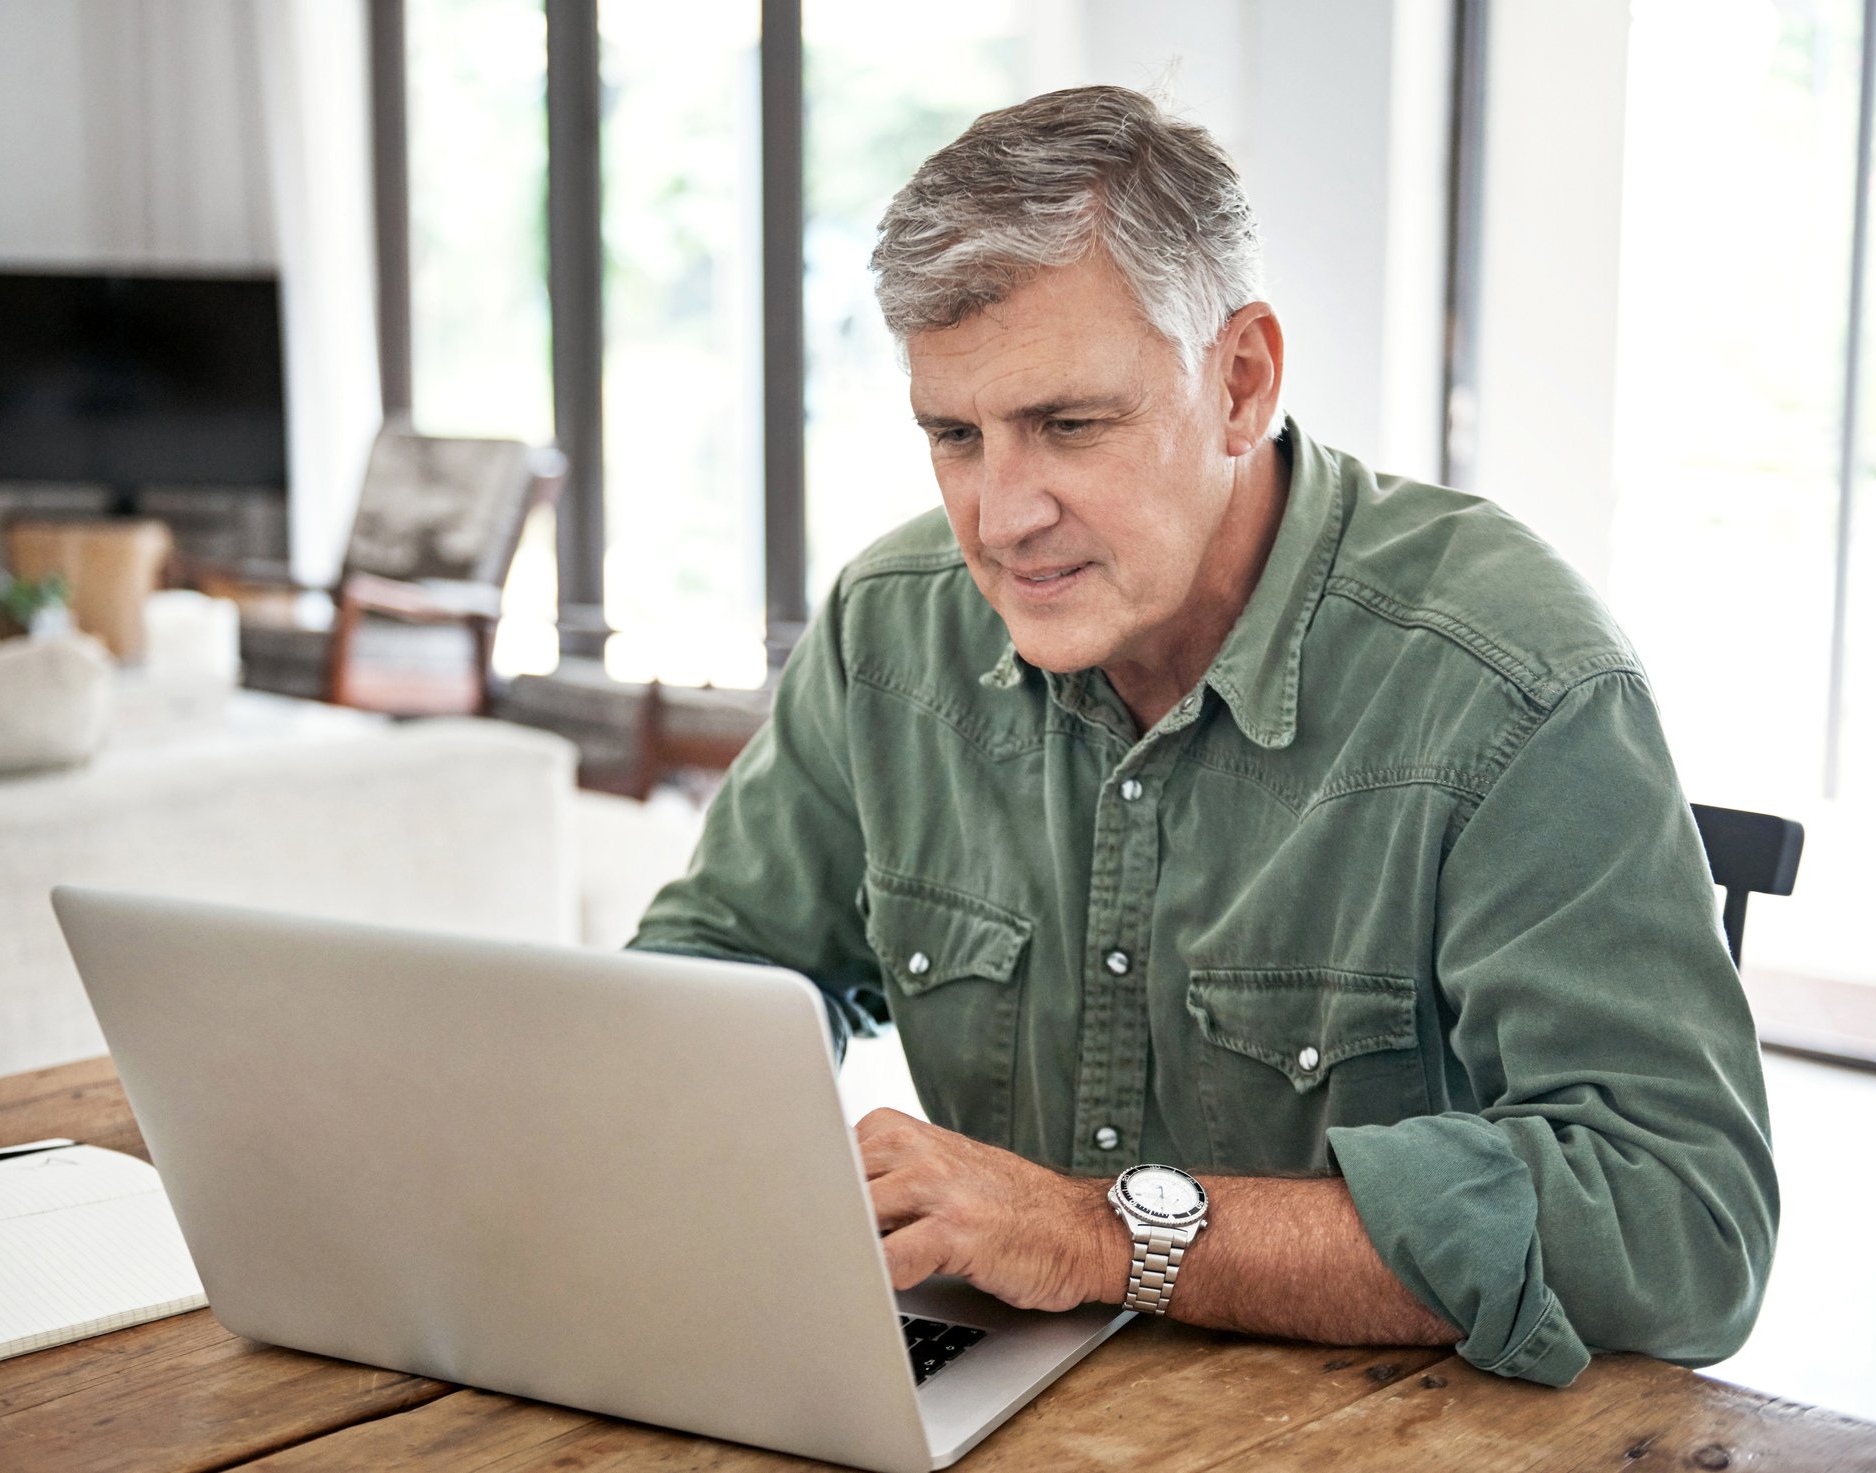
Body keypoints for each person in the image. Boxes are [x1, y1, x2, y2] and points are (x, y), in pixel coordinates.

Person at [631, 84, 1775, 1387]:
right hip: (1002, 1399)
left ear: (1242, 382)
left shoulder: (1511, 679)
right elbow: (710, 976)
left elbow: (1684, 1222)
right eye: (954, 436)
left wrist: (1108, 1233)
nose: (1001, 518)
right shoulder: (889, 628)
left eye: (1069, 425)